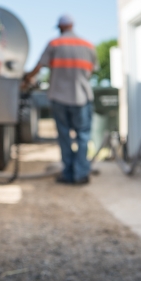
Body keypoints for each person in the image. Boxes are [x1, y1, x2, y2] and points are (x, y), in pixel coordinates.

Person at [24, 14, 97, 185]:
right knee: (83, 136)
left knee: (64, 135)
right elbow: (91, 71)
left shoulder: (55, 44)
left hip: (59, 96)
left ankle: (69, 174)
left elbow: (39, 66)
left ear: (60, 27)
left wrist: (27, 79)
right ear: (72, 25)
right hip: (82, 96)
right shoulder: (88, 45)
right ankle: (81, 174)